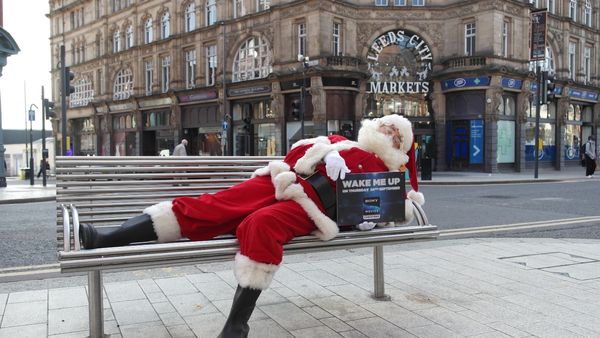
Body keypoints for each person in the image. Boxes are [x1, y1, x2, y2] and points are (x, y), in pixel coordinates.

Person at [79, 114, 424, 338]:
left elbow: (385, 211)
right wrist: (318, 153)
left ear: (401, 148)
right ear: (374, 126)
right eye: (388, 125)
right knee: (208, 207)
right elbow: (295, 153)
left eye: (398, 134)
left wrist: (356, 186)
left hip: (312, 206)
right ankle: (109, 237)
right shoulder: (336, 141)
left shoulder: (389, 171)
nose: (390, 132)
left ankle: (237, 323)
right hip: (279, 182)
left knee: (260, 225)